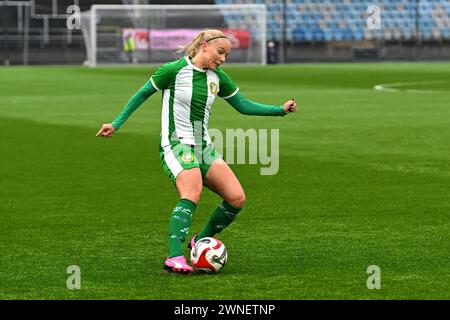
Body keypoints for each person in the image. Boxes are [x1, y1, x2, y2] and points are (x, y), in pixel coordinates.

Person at [96, 29, 297, 275]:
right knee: (192, 191)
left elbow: (242, 105)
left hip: (204, 148)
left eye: (227, 54)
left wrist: (280, 109)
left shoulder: (218, 78)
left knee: (236, 198)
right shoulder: (173, 70)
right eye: (220, 52)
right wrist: (116, 123)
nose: (223, 59)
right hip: (176, 143)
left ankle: (199, 241)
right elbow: (142, 94)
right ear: (203, 45)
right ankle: (174, 256)